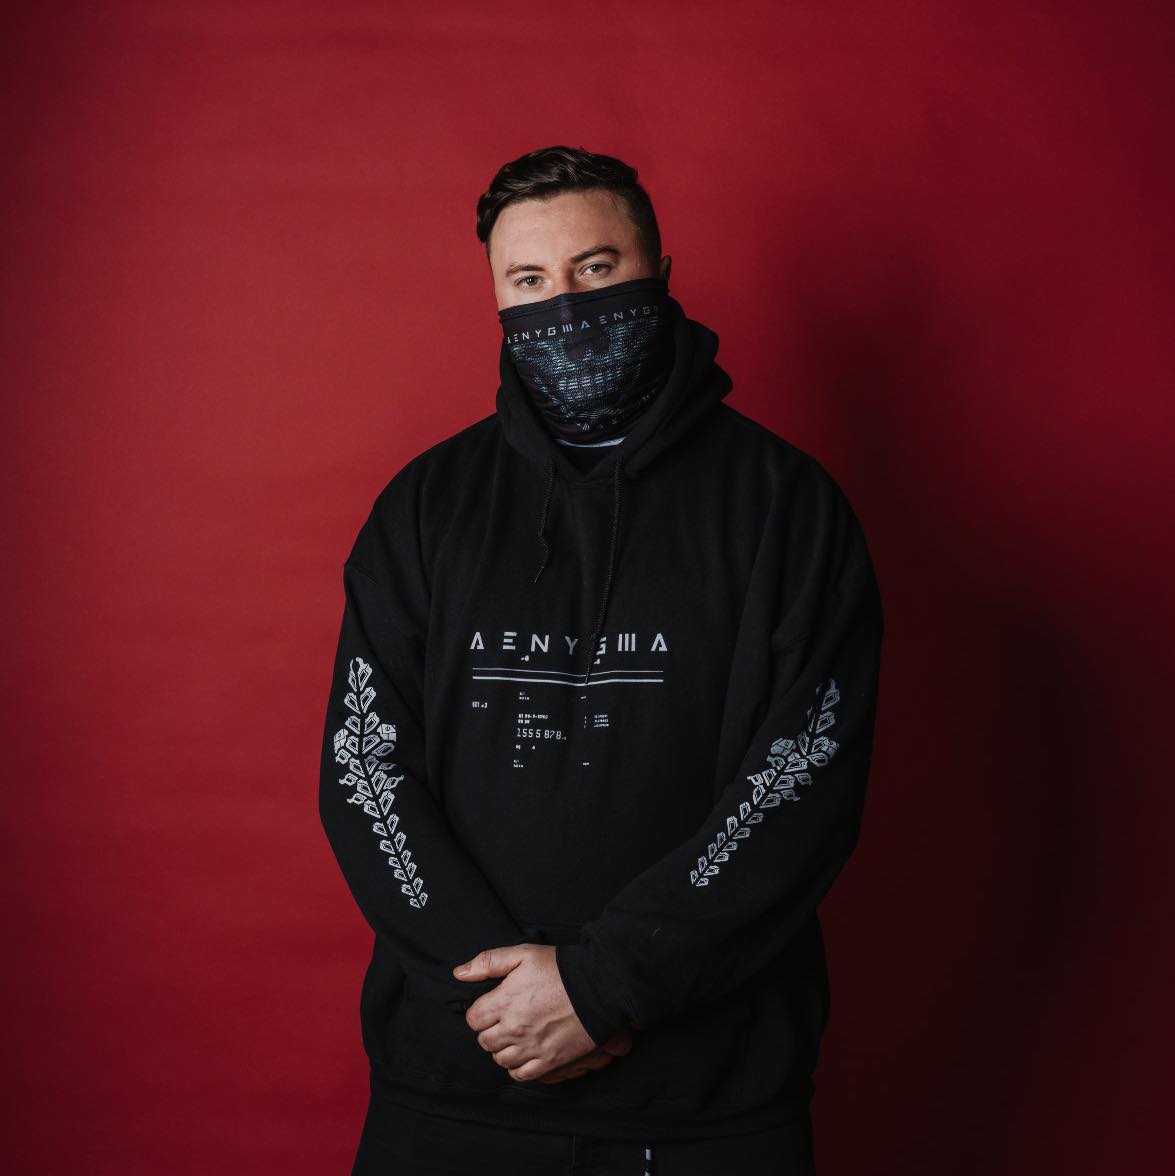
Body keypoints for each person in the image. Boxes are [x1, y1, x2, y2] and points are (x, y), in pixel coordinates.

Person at [319, 144, 885, 1175]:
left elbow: (800, 791)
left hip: (709, 1098)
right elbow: (366, 775)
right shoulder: (425, 508)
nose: (566, 307)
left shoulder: (785, 508)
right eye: (529, 281)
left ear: (659, 273)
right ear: (496, 297)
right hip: (456, 1080)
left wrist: (601, 987)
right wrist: (503, 1001)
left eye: (596, 268)